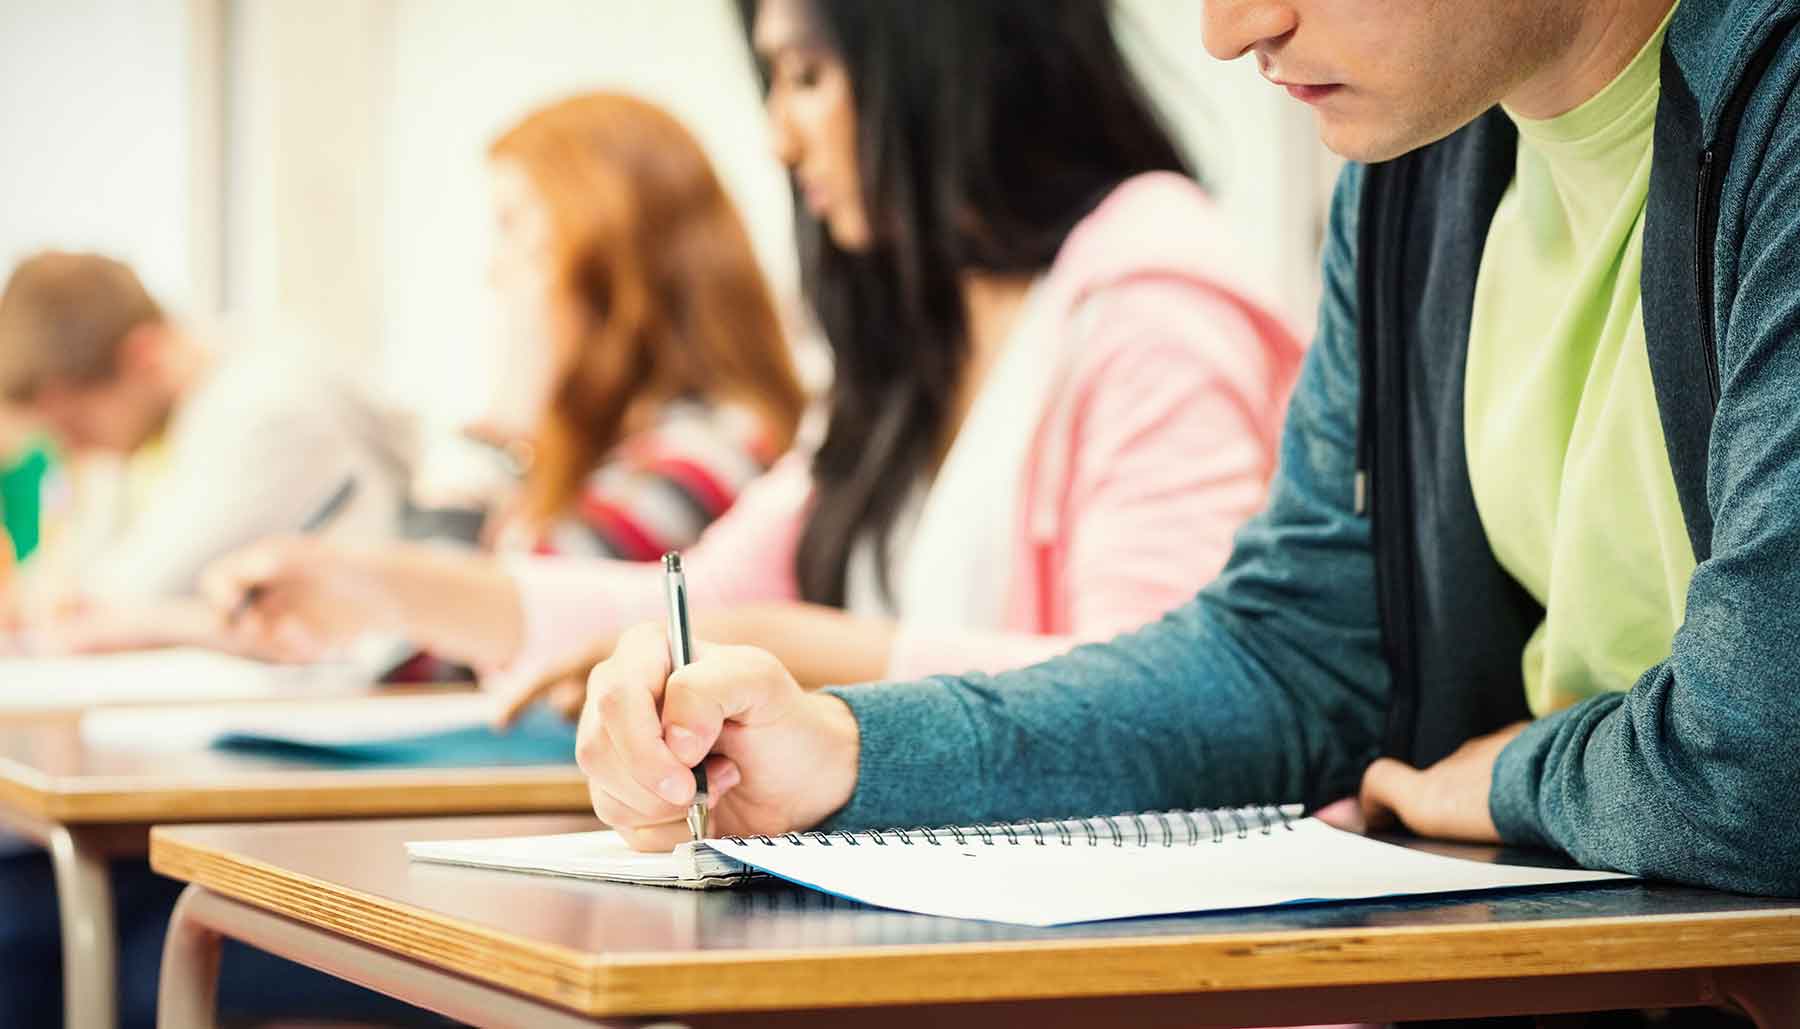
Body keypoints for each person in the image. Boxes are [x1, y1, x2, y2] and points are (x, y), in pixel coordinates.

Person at [564, 0, 1800, 937]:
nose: (1228, 31)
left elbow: (1765, 759)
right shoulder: (1412, 173)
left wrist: (1517, 771)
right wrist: (849, 753)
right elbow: (1294, 655)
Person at [206, 0, 1303, 708]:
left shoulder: (1156, 311)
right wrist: (369, 582)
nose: (780, 138)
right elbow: (698, 598)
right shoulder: (917, 346)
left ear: (952, 58)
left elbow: (1166, 706)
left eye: (810, 79)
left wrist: (781, 645)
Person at [0, 252, 411, 652]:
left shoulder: (265, 403)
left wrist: (58, 602)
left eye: (78, 428)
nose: (75, 451)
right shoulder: (169, 428)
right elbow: (67, 586)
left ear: (142, 354)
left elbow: (120, 596)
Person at [475, 91, 805, 563]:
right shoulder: (628, 449)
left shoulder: (708, 456)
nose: (493, 266)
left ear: (603, 245)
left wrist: (494, 434)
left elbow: (461, 627)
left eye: (510, 224)